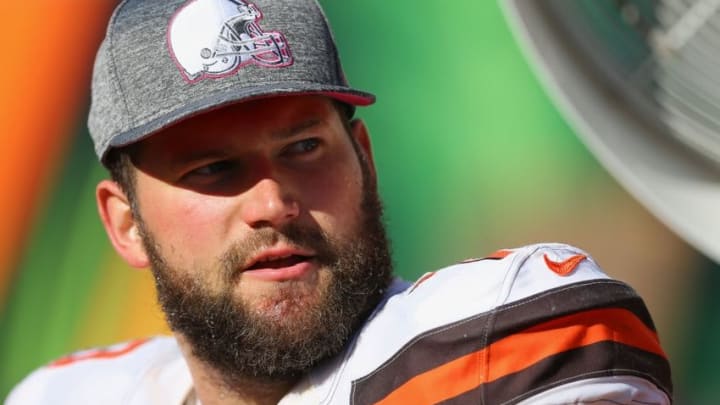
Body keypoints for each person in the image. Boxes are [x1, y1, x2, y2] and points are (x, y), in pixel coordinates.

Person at [7, 0, 672, 404]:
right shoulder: (62, 393)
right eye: (215, 168)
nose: (272, 200)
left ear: (365, 160)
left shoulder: (499, 345)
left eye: (302, 147)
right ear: (125, 223)